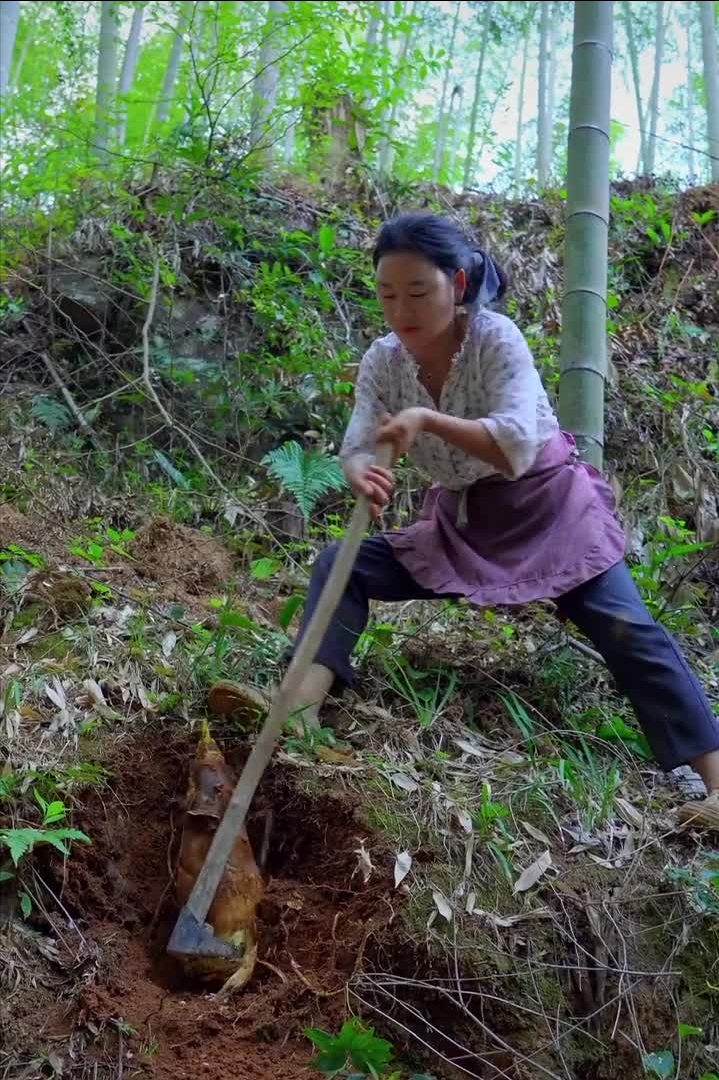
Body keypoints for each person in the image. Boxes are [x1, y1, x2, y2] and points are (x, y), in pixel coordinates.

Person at [249, 212, 719, 830]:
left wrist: (426, 420)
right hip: (462, 519)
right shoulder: (383, 362)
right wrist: (361, 471)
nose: (402, 309)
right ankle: (301, 712)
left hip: (548, 509)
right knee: (345, 562)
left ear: (459, 283)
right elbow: (359, 441)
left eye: (419, 292)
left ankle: (715, 781)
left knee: (627, 627)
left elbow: (517, 446)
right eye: (388, 294)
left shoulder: (497, 339)